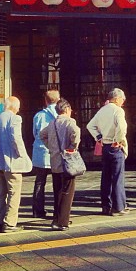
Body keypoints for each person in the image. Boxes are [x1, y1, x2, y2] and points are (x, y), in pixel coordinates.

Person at [0, 96, 32, 233]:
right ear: (14, 107)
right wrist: (23, 156)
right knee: (14, 193)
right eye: (19, 106)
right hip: (12, 163)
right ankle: (9, 224)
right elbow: (16, 139)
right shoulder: (15, 118)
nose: (19, 109)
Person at [40, 98, 81, 230]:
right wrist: (72, 147)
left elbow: (42, 135)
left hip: (55, 160)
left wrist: (51, 147)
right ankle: (63, 221)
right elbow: (76, 133)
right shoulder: (70, 122)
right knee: (68, 191)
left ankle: (55, 219)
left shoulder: (52, 123)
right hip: (67, 161)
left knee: (57, 191)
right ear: (67, 109)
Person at [87, 88, 129, 216]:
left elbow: (90, 125)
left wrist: (99, 137)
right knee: (117, 177)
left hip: (105, 146)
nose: (123, 101)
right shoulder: (118, 110)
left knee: (106, 177)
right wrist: (118, 140)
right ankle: (118, 206)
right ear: (116, 99)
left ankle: (106, 205)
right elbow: (122, 127)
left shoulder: (102, 110)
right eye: (122, 99)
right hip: (115, 146)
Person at [31, 89, 60, 219]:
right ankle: (58, 210)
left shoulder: (38, 115)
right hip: (55, 151)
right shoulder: (61, 113)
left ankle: (38, 210)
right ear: (58, 100)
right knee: (57, 182)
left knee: (40, 182)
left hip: (41, 151)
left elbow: (35, 133)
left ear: (45, 100)